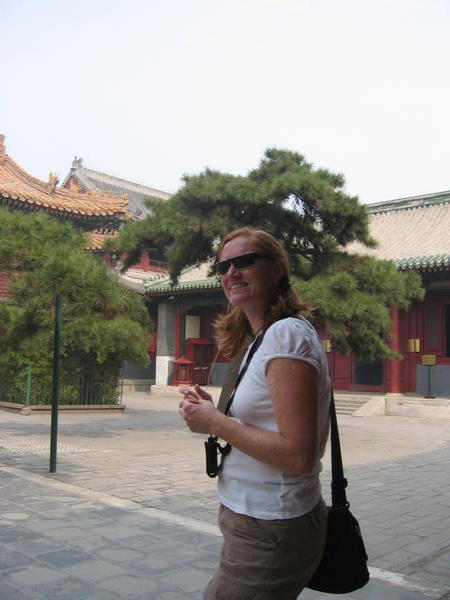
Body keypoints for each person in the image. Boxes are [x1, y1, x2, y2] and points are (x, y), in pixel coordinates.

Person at [179, 227, 331, 600]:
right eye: (223, 265)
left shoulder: (285, 337)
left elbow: (298, 455)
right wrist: (213, 412)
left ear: (277, 268)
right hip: (255, 518)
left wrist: (216, 422)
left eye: (245, 261)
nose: (231, 272)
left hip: (271, 526)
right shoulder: (263, 337)